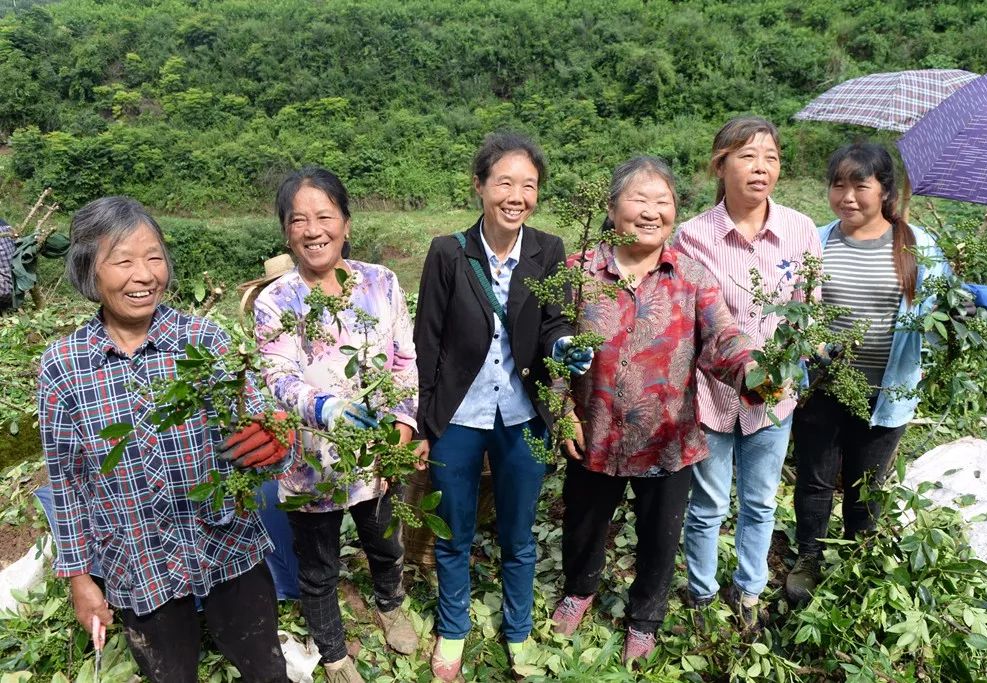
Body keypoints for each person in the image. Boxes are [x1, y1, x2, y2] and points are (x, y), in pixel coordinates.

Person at [39, 196, 292, 683]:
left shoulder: (205, 341)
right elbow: (69, 483)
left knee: (265, 666)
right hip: (137, 556)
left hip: (224, 543)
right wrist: (78, 578)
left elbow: (256, 433)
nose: (144, 274)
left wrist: (273, 440)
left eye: (154, 257)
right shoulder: (64, 366)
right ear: (89, 271)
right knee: (169, 673)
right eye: (124, 260)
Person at [549, 157, 762, 663]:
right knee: (583, 524)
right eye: (639, 200)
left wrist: (755, 372)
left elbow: (724, 339)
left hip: (667, 436)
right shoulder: (579, 273)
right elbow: (551, 344)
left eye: (662, 202)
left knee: (659, 538)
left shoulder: (690, 276)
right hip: (594, 430)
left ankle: (644, 618)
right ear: (611, 208)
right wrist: (560, 409)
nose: (651, 212)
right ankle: (580, 589)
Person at [413, 132, 590, 681]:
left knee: (518, 534)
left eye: (528, 185)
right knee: (453, 531)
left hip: (522, 415)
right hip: (458, 417)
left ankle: (516, 631)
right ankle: (453, 629)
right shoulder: (448, 252)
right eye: (505, 183)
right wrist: (423, 424)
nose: (516, 195)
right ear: (480, 187)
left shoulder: (548, 250)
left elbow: (555, 323)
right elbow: (428, 340)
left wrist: (563, 347)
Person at [252, 167, 420, 683]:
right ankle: (334, 653)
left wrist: (401, 428)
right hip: (309, 464)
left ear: (346, 223)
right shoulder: (275, 301)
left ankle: (390, 604)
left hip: (374, 456)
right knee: (318, 564)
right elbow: (277, 376)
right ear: (286, 231)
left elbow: (403, 362)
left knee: (385, 542)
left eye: (324, 216)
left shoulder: (381, 283)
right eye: (298, 219)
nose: (313, 229)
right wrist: (328, 409)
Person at [674, 116, 821, 630]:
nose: (761, 168)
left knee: (759, 503)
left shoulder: (800, 229)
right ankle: (701, 593)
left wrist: (791, 372)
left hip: (775, 396)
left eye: (771, 157)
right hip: (713, 397)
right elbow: (689, 324)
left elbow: (809, 310)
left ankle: (749, 592)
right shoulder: (691, 237)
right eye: (747, 156)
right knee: (709, 505)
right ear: (721, 164)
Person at [785, 143, 949, 602]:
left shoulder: (919, 246)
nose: (848, 196)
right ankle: (809, 558)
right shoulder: (814, 241)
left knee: (866, 487)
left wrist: (968, 308)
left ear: (885, 190)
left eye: (861, 185)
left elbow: (941, 315)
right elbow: (791, 308)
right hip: (821, 387)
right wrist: (807, 345)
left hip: (885, 393)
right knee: (815, 481)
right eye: (838, 184)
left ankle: (858, 560)